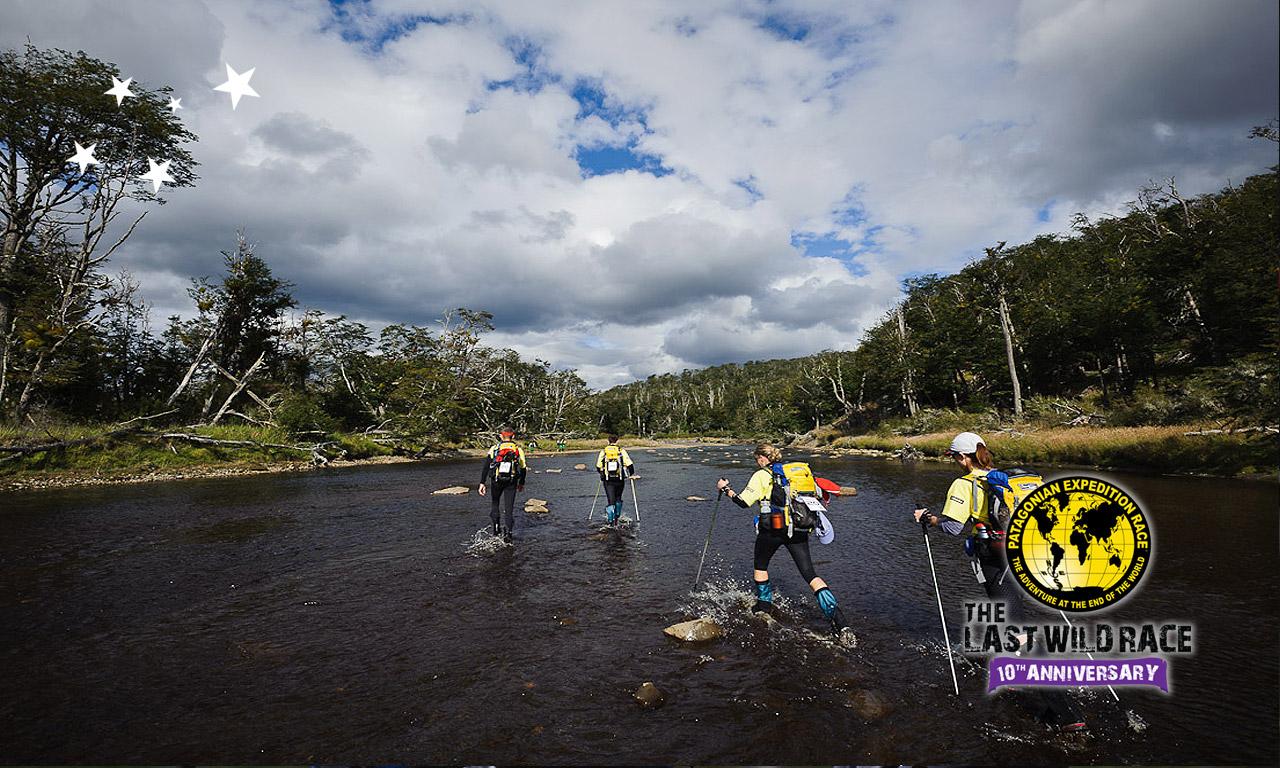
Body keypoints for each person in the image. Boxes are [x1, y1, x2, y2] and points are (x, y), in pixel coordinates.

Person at [914, 431, 1086, 732]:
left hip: (996, 559)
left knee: (1017, 628)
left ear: (964, 457)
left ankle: (1067, 714)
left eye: (955, 456)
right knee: (1011, 615)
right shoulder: (1002, 478)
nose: (955, 461)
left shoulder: (964, 483)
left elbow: (953, 527)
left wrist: (928, 519)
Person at [716, 444, 856, 646]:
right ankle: (840, 623)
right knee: (810, 574)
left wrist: (726, 489)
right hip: (799, 529)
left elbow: (744, 502)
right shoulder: (796, 473)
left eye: (757, 459)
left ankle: (763, 608)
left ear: (763, 458)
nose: (757, 462)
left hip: (773, 530)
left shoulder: (762, 475)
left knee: (760, 566)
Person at [478, 427, 527, 542]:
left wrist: (482, 483)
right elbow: (523, 468)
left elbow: (486, 467)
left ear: (501, 436)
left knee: (495, 504)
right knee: (509, 510)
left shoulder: (494, 448)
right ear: (513, 436)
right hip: (511, 481)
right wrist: (521, 483)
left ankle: (496, 530)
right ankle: (508, 534)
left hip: (496, 481)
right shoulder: (518, 449)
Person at [595, 435, 635, 525]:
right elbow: (630, 464)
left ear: (608, 441)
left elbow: (598, 466)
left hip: (608, 480)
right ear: (617, 441)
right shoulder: (621, 451)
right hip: (619, 480)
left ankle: (610, 521)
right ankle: (617, 518)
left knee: (611, 500)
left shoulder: (604, 451)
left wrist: (602, 474)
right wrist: (631, 474)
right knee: (618, 498)